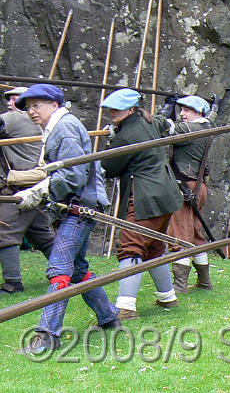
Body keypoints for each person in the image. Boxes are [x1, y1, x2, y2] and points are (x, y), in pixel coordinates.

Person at [13, 84, 119, 354]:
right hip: (75, 208)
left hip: (79, 210)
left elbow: (73, 175)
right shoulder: (57, 128)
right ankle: (109, 317)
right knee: (77, 269)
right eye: (28, 107)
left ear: (55, 104)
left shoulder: (65, 128)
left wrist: (40, 191)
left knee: (58, 271)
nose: (31, 111)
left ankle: (47, 336)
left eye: (37, 105)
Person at [100, 88, 183, 320]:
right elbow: (164, 121)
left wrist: (112, 139)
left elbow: (109, 167)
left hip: (146, 197)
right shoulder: (150, 122)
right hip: (165, 194)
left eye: (117, 108)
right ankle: (168, 298)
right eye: (110, 108)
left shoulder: (126, 136)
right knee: (155, 248)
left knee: (131, 246)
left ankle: (125, 308)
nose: (111, 112)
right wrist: (116, 132)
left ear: (131, 109)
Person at [157, 95, 217, 294]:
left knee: (180, 236)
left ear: (199, 112)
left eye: (187, 110)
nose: (181, 114)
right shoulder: (207, 126)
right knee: (195, 234)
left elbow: (164, 128)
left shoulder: (192, 129)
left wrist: (164, 112)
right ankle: (204, 281)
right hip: (198, 188)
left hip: (185, 188)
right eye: (180, 109)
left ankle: (180, 285)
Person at [0, 86, 55, 294]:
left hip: (18, 188)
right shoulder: (35, 122)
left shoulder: (17, 118)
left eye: (15, 100)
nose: (9, 104)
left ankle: (13, 283)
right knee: (42, 234)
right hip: (32, 185)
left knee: (3, 230)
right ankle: (73, 271)